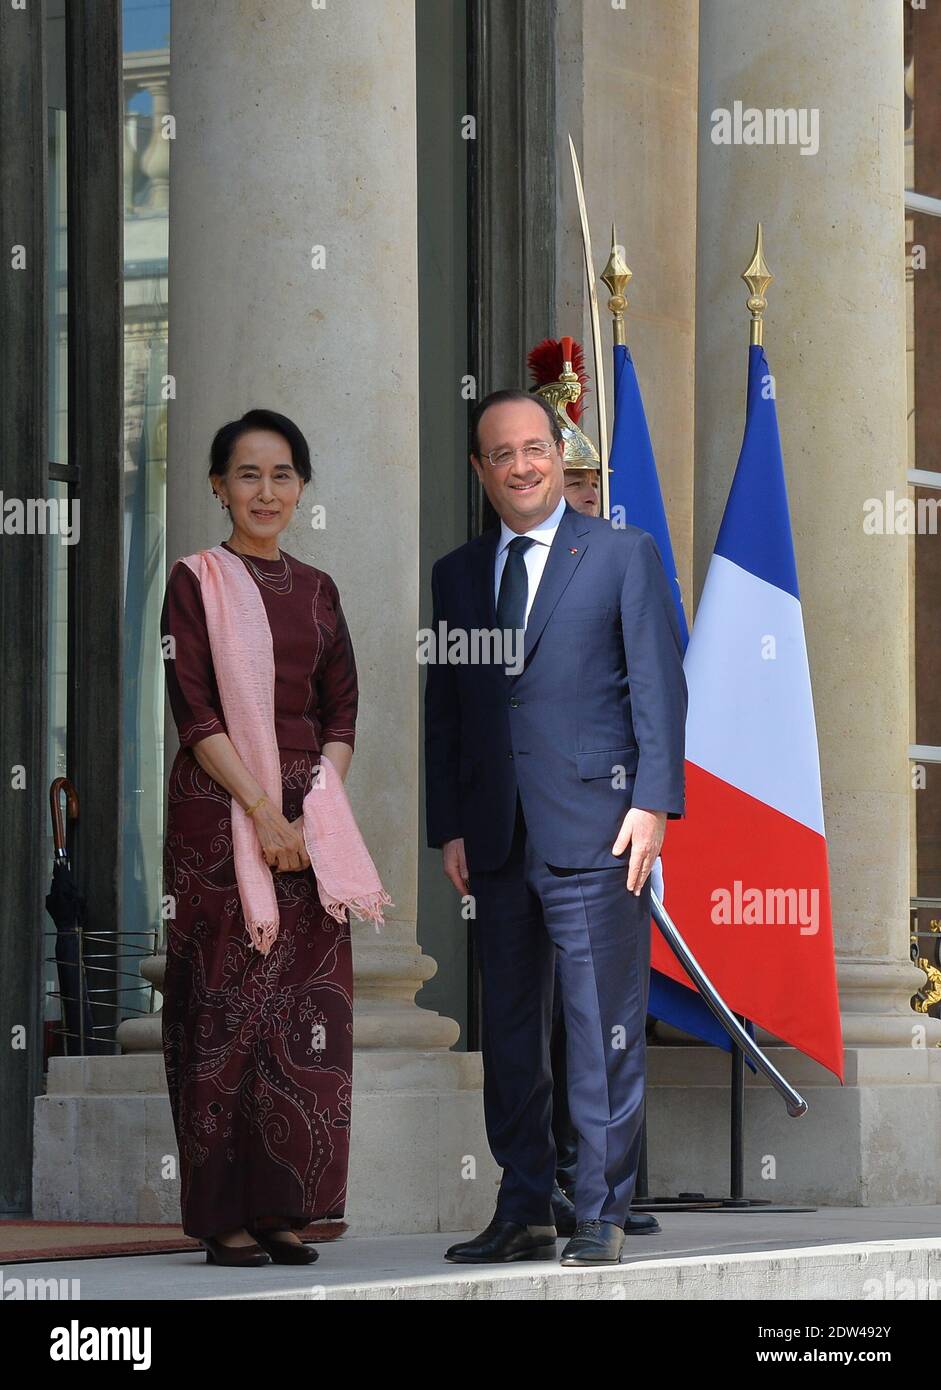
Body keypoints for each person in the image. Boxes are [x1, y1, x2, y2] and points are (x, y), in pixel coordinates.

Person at [425, 389, 687, 1266]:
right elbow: (448, 710)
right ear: (480, 469)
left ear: (557, 456)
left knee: (598, 1022)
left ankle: (603, 1210)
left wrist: (652, 803)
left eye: (535, 449)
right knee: (509, 1031)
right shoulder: (456, 575)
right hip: (496, 839)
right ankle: (524, 1204)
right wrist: (450, 825)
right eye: (502, 454)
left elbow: (658, 687)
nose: (522, 466)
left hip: (600, 829)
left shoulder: (619, 555)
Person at [160, 408, 386, 1267]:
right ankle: (221, 1213)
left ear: (301, 489)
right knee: (222, 1007)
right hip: (219, 810)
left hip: (310, 818)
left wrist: (314, 807)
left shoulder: (319, 589)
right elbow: (195, 709)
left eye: (282, 474)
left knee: (303, 1014)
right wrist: (262, 812)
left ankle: (285, 1207)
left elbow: (342, 711)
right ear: (218, 486)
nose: (265, 490)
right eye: (247, 474)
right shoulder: (196, 582)